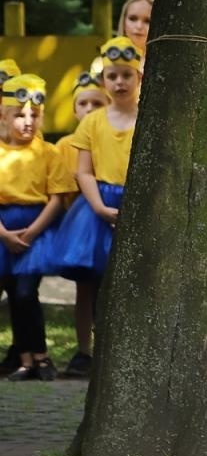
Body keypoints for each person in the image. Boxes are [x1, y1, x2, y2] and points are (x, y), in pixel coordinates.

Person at [54, 38, 144, 354]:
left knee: (130, 285)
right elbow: (84, 171)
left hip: (136, 204)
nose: (119, 82)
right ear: (104, 80)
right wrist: (101, 209)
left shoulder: (148, 118)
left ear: (139, 77)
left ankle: (123, 350)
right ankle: (84, 350)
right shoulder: (93, 122)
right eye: (112, 76)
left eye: (126, 75)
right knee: (87, 285)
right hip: (97, 207)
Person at [0, 74, 67, 380]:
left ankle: (41, 356)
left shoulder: (49, 153)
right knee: (13, 293)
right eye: (20, 115)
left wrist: (32, 232)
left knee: (26, 291)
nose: (28, 122)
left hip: (35, 229)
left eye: (35, 116)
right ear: (4, 115)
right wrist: (4, 233)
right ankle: (25, 359)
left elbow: (56, 198)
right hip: (4, 229)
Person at [53, 73, 109, 377]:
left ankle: (106, 348)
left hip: (106, 213)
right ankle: (83, 350)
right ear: (74, 110)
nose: (89, 108)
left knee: (109, 288)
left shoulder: (106, 130)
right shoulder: (64, 145)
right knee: (84, 289)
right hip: (81, 223)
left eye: (96, 102)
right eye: (83, 103)